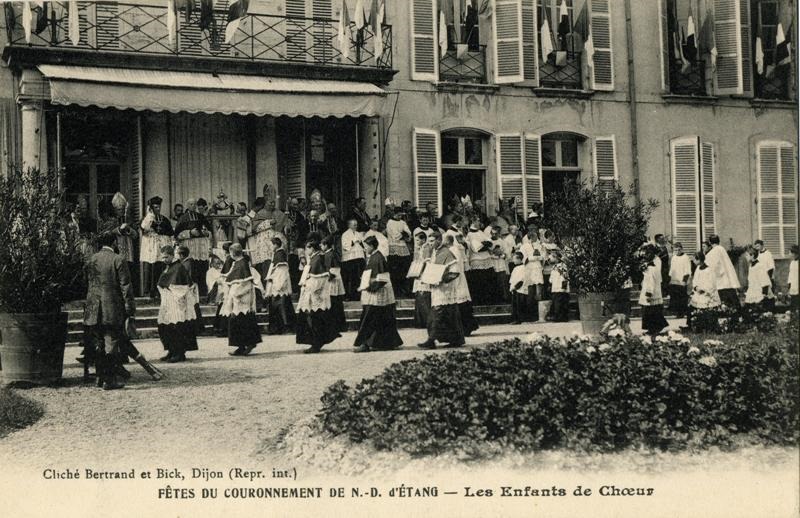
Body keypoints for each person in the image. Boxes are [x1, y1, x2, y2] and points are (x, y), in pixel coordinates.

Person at [82, 232, 136, 390]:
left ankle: (99, 376)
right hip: (111, 307)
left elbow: (86, 282)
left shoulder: (91, 260)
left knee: (98, 342)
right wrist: (129, 308)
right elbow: (125, 286)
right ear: (113, 244)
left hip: (93, 307)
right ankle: (109, 379)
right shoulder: (118, 259)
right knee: (111, 341)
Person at [353, 236, 404, 352]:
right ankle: (388, 343)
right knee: (384, 318)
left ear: (372, 246)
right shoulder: (374, 256)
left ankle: (364, 344)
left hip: (377, 293)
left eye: (366, 247)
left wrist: (370, 288)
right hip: (377, 291)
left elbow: (382, 278)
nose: (364, 249)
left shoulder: (378, 258)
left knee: (369, 318)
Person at [418, 231, 465, 349]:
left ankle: (431, 340)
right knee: (449, 315)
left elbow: (455, 272)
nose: (430, 244)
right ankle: (456, 339)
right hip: (436, 289)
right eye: (429, 241)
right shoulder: (434, 252)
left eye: (432, 241)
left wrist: (441, 280)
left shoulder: (446, 253)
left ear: (439, 240)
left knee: (435, 315)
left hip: (445, 289)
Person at [295, 234, 340, 354]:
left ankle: (316, 344)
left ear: (312, 249)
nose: (306, 250)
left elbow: (319, 279)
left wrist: (307, 285)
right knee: (312, 319)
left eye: (307, 248)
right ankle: (315, 343)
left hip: (315, 296)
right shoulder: (315, 258)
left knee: (315, 320)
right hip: (312, 295)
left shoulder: (318, 259)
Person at [156, 245, 198, 363]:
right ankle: (171, 350)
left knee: (176, 327)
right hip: (167, 302)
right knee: (165, 327)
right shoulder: (168, 267)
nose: (164, 260)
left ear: (171, 255)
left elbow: (183, 286)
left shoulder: (179, 267)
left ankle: (179, 353)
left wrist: (171, 290)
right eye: (162, 257)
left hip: (177, 302)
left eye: (166, 257)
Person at [221, 243, 262, 356]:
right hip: (236, 298)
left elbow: (246, 283)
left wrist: (235, 293)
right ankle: (241, 346)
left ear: (233, 253)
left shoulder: (243, 263)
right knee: (237, 322)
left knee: (243, 321)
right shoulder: (237, 263)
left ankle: (249, 344)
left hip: (242, 297)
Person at [99, 193, 139, 294]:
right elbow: (106, 234)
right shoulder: (110, 221)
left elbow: (136, 235)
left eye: (122, 209)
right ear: (114, 209)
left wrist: (129, 229)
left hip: (128, 249)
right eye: (119, 209)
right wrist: (118, 230)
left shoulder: (129, 220)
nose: (121, 211)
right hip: (116, 248)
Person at [175, 198, 213, 296]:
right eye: (191, 204)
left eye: (194, 204)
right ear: (187, 205)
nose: (193, 206)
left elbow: (210, 231)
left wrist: (207, 233)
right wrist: (190, 233)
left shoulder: (201, 217)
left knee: (202, 266)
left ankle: (202, 292)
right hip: (190, 246)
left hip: (201, 247)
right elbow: (177, 234)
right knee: (191, 267)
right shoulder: (183, 218)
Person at [140, 196, 174, 300]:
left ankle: (160, 290)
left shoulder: (164, 219)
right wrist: (149, 214)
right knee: (150, 268)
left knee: (160, 268)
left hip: (160, 247)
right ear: (151, 208)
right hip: (150, 247)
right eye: (155, 207)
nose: (157, 209)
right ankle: (149, 292)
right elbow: (144, 227)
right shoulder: (147, 219)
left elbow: (170, 233)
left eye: (159, 207)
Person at [446, 233, 479, 336]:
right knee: (461, 303)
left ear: (447, 241)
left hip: (456, 277)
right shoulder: (455, 249)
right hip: (458, 277)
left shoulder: (452, 250)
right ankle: (466, 327)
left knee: (460, 303)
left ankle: (465, 328)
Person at [265, 237, 295, 334]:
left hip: (279, 286)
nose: (270, 247)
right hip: (276, 284)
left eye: (271, 245)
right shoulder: (277, 254)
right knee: (278, 306)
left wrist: (277, 286)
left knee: (281, 306)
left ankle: (284, 327)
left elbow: (282, 272)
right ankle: (278, 328)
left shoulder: (280, 254)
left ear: (275, 245)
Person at [687, 250, 721, 331]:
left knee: (707, 309)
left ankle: (708, 327)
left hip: (707, 293)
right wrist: (696, 288)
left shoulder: (709, 270)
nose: (693, 261)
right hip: (698, 292)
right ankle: (694, 326)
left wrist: (704, 290)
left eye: (694, 259)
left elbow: (712, 283)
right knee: (692, 307)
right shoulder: (698, 268)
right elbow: (695, 280)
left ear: (699, 260)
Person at [705, 234, 741, 308]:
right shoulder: (722, 249)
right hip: (727, 278)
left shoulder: (714, 251)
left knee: (723, 299)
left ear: (710, 242)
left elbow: (712, 266)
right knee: (732, 297)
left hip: (720, 279)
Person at [639, 246, 668, 336]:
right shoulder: (651, 266)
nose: (645, 256)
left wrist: (648, 294)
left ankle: (653, 328)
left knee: (650, 312)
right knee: (653, 311)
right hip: (654, 290)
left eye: (647, 254)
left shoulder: (651, 268)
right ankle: (653, 328)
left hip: (651, 291)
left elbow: (650, 282)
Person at [465, 219, 496, 304]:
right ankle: (480, 301)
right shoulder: (470, 235)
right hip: (477, 260)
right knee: (479, 281)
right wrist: (484, 244)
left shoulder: (481, 232)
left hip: (486, 259)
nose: (480, 223)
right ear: (473, 222)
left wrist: (484, 244)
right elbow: (477, 249)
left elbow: (491, 243)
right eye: (478, 221)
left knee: (488, 280)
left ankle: (488, 300)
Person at [322, 235, 347, 332]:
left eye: (322, 245)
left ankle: (338, 325)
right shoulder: (327, 254)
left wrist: (326, 277)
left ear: (326, 245)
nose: (321, 247)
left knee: (335, 304)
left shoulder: (332, 254)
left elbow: (335, 269)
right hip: (330, 280)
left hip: (333, 281)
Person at [385, 208, 413, 297]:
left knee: (404, 269)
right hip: (393, 247)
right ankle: (395, 291)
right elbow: (394, 235)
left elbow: (408, 232)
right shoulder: (390, 222)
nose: (400, 216)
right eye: (399, 215)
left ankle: (403, 290)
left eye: (401, 215)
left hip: (403, 247)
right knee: (395, 271)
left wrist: (405, 234)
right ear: (394, 214)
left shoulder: (402, 222)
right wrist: (403, 234)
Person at [177, 245, 203, 338]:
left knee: (193, 307)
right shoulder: (187, 262)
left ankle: (198, 328)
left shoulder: (188, 263)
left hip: (190, 288)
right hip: (190, 287)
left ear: (181, 255)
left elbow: (189, 277)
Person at [520, 226, 544, 322]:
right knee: (530, 291)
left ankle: (539, 315)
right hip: (529, 268)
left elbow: (543, 256)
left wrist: (539, 257)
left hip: (537, 268)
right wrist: (532, 258)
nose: (535, 239)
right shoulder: (524, 246)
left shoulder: (539, 245)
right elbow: (523, 258)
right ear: (529, 237)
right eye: (533, 237)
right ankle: (529, 315)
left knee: (538, 290)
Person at [340, 218, 366, 301]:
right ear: (349, 225)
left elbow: (363, 244)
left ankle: (356, 295)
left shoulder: (359, 234)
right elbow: (345, 246)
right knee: (348, 278)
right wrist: (353, 241)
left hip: (358, 257)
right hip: (349, 259)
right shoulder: (345, 234)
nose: (356, 226)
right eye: (354, 225)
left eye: (356, 225)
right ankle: (347, 295)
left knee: (357, 277)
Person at [411, 231, 432, 329]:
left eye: (418, 240)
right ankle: (420, 322)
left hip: (424, 273)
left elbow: (426, 262)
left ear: (423, 240)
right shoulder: (419, 248)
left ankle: (427, 321)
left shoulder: (426, 248)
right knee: (419, 296)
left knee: (424, 297)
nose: (417, 241)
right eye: (416, 240)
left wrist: (419, 270)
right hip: (418, 273)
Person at [744, 246, 775, 313]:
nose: (745, 257)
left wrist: (764, 294)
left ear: (752, 255)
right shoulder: (751, 266)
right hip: (752, 291)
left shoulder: (759, 266)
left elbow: (765, 281)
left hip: (760, 293)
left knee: (758, 311)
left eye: (747, 255)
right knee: (747, 312)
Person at [667, 242, 692, 318]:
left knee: (682, 297)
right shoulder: (674, 258)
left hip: (682, 281)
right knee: (675, 297)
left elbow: (687, 270)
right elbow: (672, 269)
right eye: (676, 250)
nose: (677, 251)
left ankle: (682, 312)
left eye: (679, 250)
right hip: (674, 280)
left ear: (682, 249)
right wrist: (670, 278)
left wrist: (684, 280)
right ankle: (677, 312)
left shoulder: (685, 257)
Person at [206, 254, 227, 337]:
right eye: (216, 263)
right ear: (212, 264)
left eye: (219, 263)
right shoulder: (210, 271)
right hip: (214, 289)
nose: (218, 265)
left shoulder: (219, 270)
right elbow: (214, 281)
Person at [548, 251, 570, 322]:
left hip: (561, 288)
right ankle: (557, 316)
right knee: (556, 303)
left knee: (561, 303)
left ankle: (562, 317)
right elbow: (551, 278)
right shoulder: (554, 266)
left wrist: (563, 287)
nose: (550, 259)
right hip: (555, 287)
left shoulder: (563, 266)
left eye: (551, 257)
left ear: (556, 258)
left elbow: (565, 277)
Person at [508, 252, 527, 325]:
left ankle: (519, 319)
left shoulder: (523, 268)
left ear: (519, 259)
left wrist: (515, 287)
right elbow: (512, 279)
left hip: (519, 289)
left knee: (519, 305)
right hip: (514, 289)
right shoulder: (515, 268)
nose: (513, 260)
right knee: (515, 305)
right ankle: (515, 319)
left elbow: (522, 280)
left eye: (514, 259)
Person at [788, 245, 799, 311]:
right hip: (793, 285)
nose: (789, 254)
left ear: (795, 253)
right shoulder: (792, 263)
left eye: (790, 253)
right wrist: (789, 284)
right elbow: (790, 274)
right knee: (793, 302)